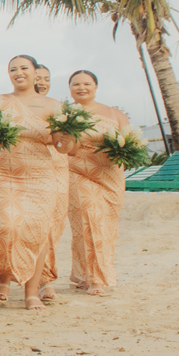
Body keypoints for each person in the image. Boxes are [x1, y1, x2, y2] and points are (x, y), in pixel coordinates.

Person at [0, 55, 72, 311]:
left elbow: (61, 145)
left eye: (23, 68)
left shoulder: (53, 105)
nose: (18, 72)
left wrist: (72, 134)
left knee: (38, 232)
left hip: (41, 173)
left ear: (35, 72)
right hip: (4, 172)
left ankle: (32, 293)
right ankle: (3, 276)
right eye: (12, 69)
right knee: (8, 226)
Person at [64, 70, 130, 296]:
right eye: (76, 84)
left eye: (87, 83)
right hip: (78, 171)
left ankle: (82, 274)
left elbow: (130, 141)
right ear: (70, 88)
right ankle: (96, 279)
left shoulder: (114, 113)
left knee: (106, 226)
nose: (82, 88)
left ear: (96, 86)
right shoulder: (65, 113)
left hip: (110, 176)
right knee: (88, 220)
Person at [31, 63, 70, 302]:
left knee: (52, 226)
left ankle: (45, 279)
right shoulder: (15, 106)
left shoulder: (58, 108)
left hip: (59, 168)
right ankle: (18, 278)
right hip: (31, 168)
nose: (43, 82)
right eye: (38, 77)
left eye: (46, 78)